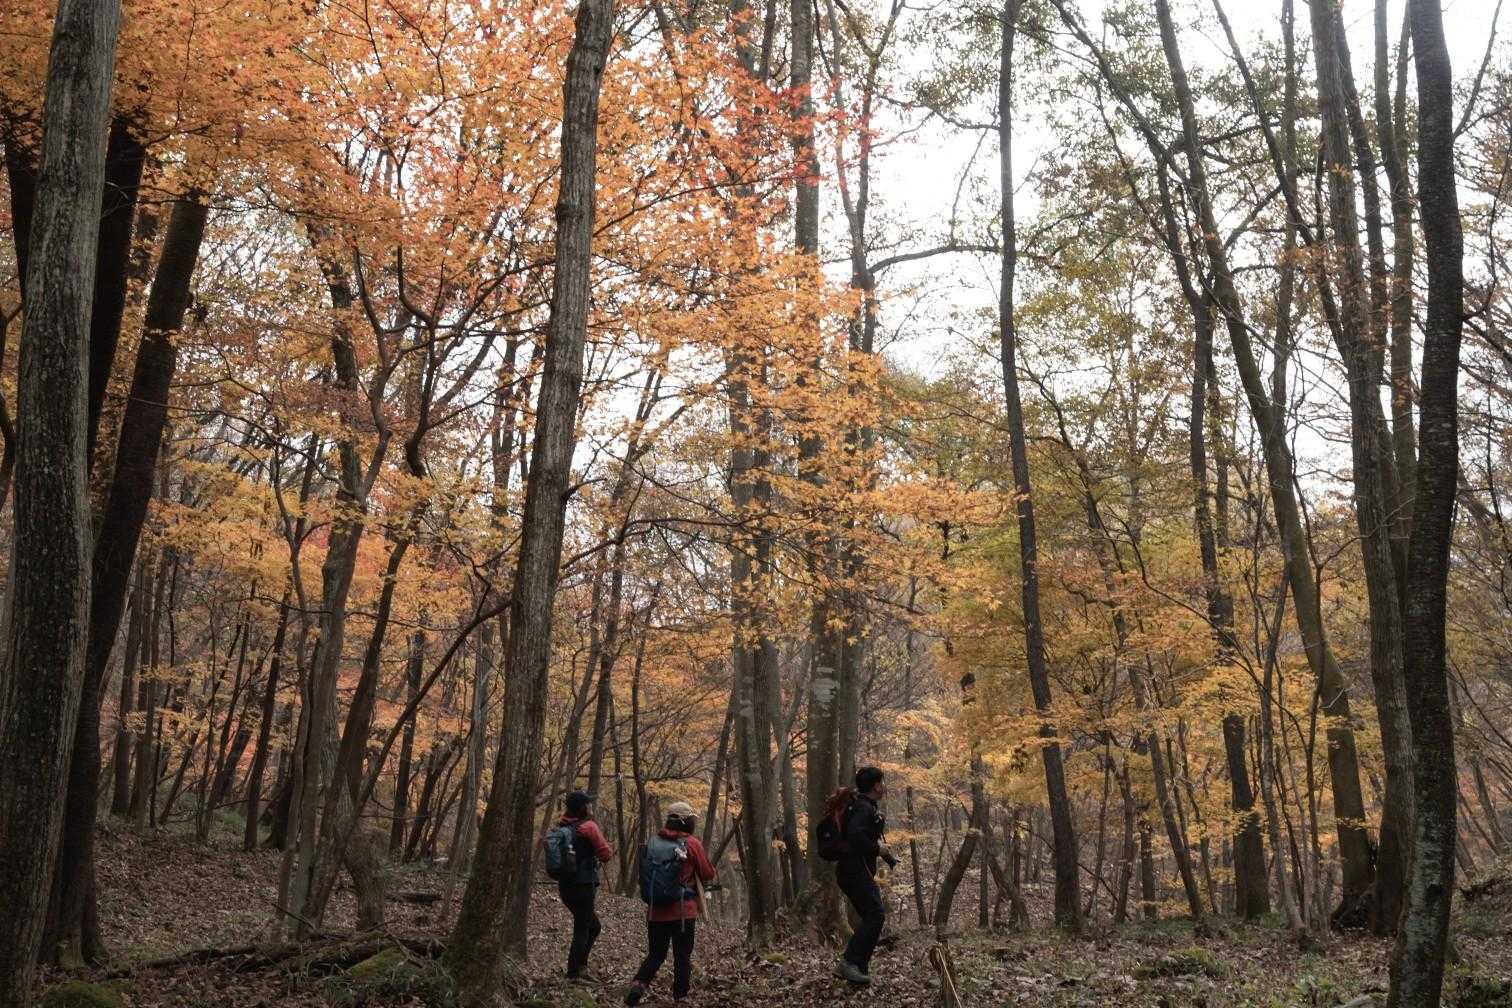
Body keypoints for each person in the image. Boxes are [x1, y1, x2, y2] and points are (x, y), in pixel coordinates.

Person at [625, 801, 716, 1006]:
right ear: (686, 821)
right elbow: (707, 873)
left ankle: (638, 985)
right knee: (682, 956)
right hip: (683, 912)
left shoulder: (653, 842)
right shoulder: (691, 843)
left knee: (656, 954)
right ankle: (680, 997)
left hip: (655, 910)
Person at [834, 765, 896, 986]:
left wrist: (886, 856)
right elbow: (855, 836)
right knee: (876, 915)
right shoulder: (863, 808)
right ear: (876, 785)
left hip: (852, 871)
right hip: (854, 872)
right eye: (882, 782)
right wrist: (877, 849)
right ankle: (849, 963)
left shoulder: (861, 806)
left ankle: (859, 970)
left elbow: (862, 837)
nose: (884, 786)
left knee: (872, 917)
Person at [554, 790, 613, 980]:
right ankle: (573, 973)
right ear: (582, 808)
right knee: (584, 928)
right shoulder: (589, 827)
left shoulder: (561, 826)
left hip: (565, 886)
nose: (590, 807)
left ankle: (580, 967)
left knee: (592, 926)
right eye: (588, 804)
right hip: (583, 885)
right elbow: (606, 855)